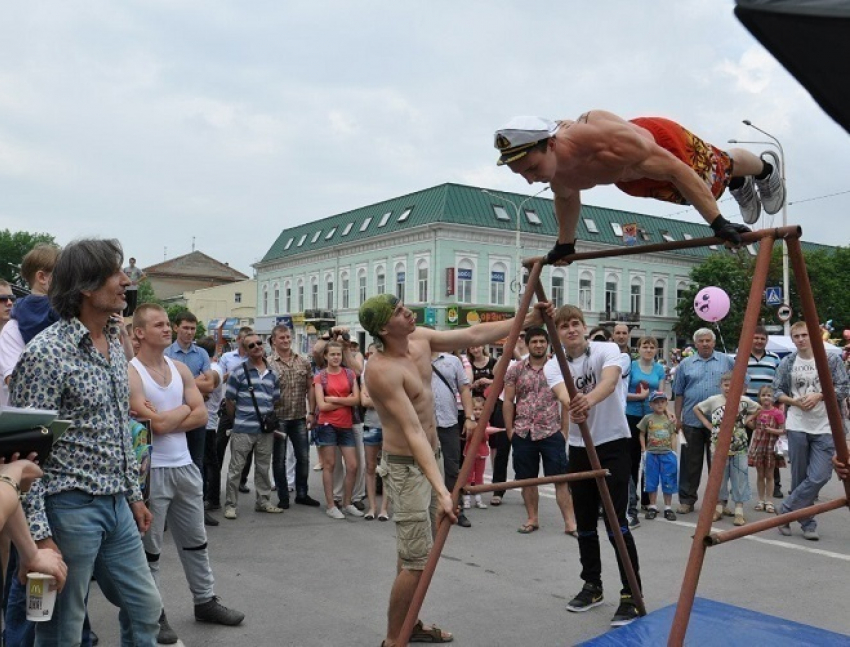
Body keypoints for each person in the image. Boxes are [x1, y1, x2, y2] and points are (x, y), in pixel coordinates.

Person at [359, 293, 550, 647]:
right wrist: (444, 490)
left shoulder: (419, 338)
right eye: (400, 312)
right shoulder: (382, 370)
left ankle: (409, 623)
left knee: (413, 553)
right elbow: (413, 431)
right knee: (417, 559)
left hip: (429, 454)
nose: (408, 312)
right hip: (407, 467)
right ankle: (391, 640)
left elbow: (474, 335)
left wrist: (526, 320)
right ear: (385, 328)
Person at [9, 238, 162, 644]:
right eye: (117, 274)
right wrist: (39, 537)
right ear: (87, 287)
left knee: (146, 609)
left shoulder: (113, 345)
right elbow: (26, 453)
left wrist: (133, 494)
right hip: (70, 506)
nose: (127, 281)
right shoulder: (46, 353)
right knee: (63, 628)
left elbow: (117, 428)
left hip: (116, 505)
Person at [494, 112, 785, 263]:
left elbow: (676, 170)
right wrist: (565, 244)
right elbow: (566, 198)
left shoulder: (607, 143)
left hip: (663, 147)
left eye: (532, 169)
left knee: (720, 168)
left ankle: (765, 170)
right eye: (523, 175)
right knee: (714, 187)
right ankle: (737, 183)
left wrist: (718, 223)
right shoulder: (555, 172)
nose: (531, 180)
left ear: (553, 144)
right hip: (634, 178)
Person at [128, 304, 244, 642]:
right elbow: (160, 426)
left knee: (196, 542)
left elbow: (197, 418)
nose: (167, 329)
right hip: (152, 473)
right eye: (159, 325)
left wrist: (169, 415)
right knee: (150, 549)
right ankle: (154, 613)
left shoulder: (179, 368)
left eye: (168, 324)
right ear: (139, 332)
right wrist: (182, 411)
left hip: (184, 467)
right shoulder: (131, 372)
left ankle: (205, 600)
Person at [545, 305, 642, 627]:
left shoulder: (607, 349)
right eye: (564, 326)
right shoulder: (553, 365)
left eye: (575, 324)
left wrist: (587, 400)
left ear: (584, 327)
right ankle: (593, 585)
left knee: (616, 523)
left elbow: (610, 382)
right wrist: (574, 403)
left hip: (613, 443)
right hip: (579, 447)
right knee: (585, 522)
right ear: (557, 334)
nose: (571, 329)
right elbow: (562, 393)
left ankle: (631, 592)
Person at [773, 321, 849, 540]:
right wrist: (794, 402)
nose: (801, 339)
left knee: (819, 475)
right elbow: (777, 390)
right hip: (797, 425)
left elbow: (844, 387)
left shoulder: (831, 359)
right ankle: (808, 523)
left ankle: (786, 511)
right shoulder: (788, 362)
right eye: (796, 336)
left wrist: (820, 395)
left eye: (805, 335)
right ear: (792, 339)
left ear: (814, 336)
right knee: (799, 477)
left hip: (826, 426)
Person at [503, 326, 576, 536]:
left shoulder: (558, 368)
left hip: (551, 432)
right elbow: (508, 401)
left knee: (561, 479)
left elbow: (565, 400)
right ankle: (532, 519)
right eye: (534, 342)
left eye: (542, 342)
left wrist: (564, 430)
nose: (538, 345)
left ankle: (570, 523)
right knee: (527, 479)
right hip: (523, 432)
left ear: (547, 344)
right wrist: (510, 430)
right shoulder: (516, 369)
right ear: (528, 344)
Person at [673, 328, 735, 514]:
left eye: (708, 340)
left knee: (719, 464)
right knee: (690, 464)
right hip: (692, 421)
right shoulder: (686, 364)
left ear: (714, 343)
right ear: (696, 343)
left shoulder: (727, 361)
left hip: (720, 421)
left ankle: (720, 501)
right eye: (701, 341)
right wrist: (678, 418)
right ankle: (687, 500)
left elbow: (738, 386)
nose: (705, 343)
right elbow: (679, 393)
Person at [223, 333, 283, 519]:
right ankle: (231, 505)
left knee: (263, 467)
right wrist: (237, 420)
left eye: (259, 343)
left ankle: (263, 501)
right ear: (246, 351)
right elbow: (230, 400)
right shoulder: (238, 372)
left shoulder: (273, 373)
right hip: (243, 429)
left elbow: (275, 400)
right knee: (236, 469)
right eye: (251, 345)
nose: (257, 347)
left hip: (265, 430)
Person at [693, 372, 760, 526]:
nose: (729, 388)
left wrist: (747, 419)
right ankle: (719, 507)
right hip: (718, 447)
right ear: (721, 386)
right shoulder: (714, 400)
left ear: (742, 387)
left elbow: (759, 408)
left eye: (733, 385)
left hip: (739, 447)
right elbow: (697, 409)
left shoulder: (744, 401)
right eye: (726, 385)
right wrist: (707, 424)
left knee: (740, 477)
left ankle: (739, 510)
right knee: (719, 478)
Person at [267, 324, 321, 509]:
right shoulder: (268, 363)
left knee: (304, 457)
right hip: (278, 419)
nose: (286, 340)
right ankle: (283, 496)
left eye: (288, 337)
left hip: (299, 417)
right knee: (279, 459)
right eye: (281, 337)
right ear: (274, 340)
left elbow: (310, 388)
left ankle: (302, 493)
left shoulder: (303, 361)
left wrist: (311, 412)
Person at [314, 341, 363, 519]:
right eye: (332, 354)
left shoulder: (349, 374)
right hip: (327, 425)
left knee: (352, 465)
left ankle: (347, 502)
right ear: (325, 356)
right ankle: (331, 505)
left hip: (346, 424)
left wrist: (333, 399)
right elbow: (321, 405)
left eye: (339, 354)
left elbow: (356, 400)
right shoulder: (320, 376)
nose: (336, 357)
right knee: (330, 465)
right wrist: (345, 400)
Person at [431, 348, 475, 528]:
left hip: (448, 422)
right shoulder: (412, 359)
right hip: (422, 425)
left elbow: (464, 389)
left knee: (452, 468)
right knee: (424, 469)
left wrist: (469, 417)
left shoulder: (452, 361)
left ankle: (457, 509)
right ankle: (431, 510)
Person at [625, 337, 666, 525]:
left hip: (651, 419)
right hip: (631, 416)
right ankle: (631, 497)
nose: (648, 350)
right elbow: (622, 392)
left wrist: (667, 414)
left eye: (652, 347)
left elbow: (662, 396)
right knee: (632, 458)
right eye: (645, 346)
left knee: (650, 458)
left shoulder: (659, 369)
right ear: (638, 348)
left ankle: (647, 497)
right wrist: (640, 396)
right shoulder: (631, 366)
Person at [467, 345, 509, 507]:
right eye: (472, 348)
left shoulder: (492, 362)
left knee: (495, 445)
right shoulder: (468, 365)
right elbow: (465, 385)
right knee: (472, 444)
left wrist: (487, 381)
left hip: (493, 405)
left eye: (477, 346)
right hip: (475, 409)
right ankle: (471, 481)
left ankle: (493, 483)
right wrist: (475, 384)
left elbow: (502, 380)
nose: (475, 349)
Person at [745, 326, 783, 499]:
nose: (759, 341)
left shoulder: (774, 359)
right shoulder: (742, 358)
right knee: (742, 449)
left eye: (762, 338)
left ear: (766, 340)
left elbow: (779, 384)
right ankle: (742, 484)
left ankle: (775, 485)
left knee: (771, 449)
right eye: (756, 338)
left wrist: (780, 407)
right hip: (748, 410)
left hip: (769, 411)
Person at [637, 392, 678, 521]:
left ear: (666, 404)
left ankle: (668, 507)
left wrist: (673, 451)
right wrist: (644, 449)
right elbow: (642, 434)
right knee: (651, 481)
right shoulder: (647, 418)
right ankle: (652, 506)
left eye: (662, 402)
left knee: (668, 480)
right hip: (652, 454)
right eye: (656, 402)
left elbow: (673, 435)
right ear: (651, 405)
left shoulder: (669, 419)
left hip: (667, 454)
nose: (659, 405)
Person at [361, 347, 391, 521]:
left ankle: (384, 509)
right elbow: (364, 401)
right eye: (370, 354)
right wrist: (382, 400)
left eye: (376, 353)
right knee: (370, 467)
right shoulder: (366, 378)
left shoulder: (391, 374)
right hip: (370, 425)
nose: (373, 357)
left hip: (388, 426)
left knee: (386, 469)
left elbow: (394, 400)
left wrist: (376, 401)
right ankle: (372, 507)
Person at [746, 385, 786, 514]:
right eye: (763, 395)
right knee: (760, 475)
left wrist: (771, 430)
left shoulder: (778, 413)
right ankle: (760, 500)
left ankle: (769, 501)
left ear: (773, 398)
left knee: (769, 475)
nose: (766, 397)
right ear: (759, 398)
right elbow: (753, 426)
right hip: (758, 445)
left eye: (768, 395)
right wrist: (748, 421)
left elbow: (783, 430)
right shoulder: (757, 411)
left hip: (771, 447)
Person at [462, 397, 490, 512]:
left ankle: (478, 499)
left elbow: (485, 438)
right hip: (469, 452)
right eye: (475, 409)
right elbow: (467, 438)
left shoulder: (486, 423)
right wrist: (471, 430)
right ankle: (466, 498)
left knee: (479, 476)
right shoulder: (468, 423)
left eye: (480, 409)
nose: (477, 412)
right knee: (468, 476)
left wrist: (481, 430)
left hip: (481, 453)